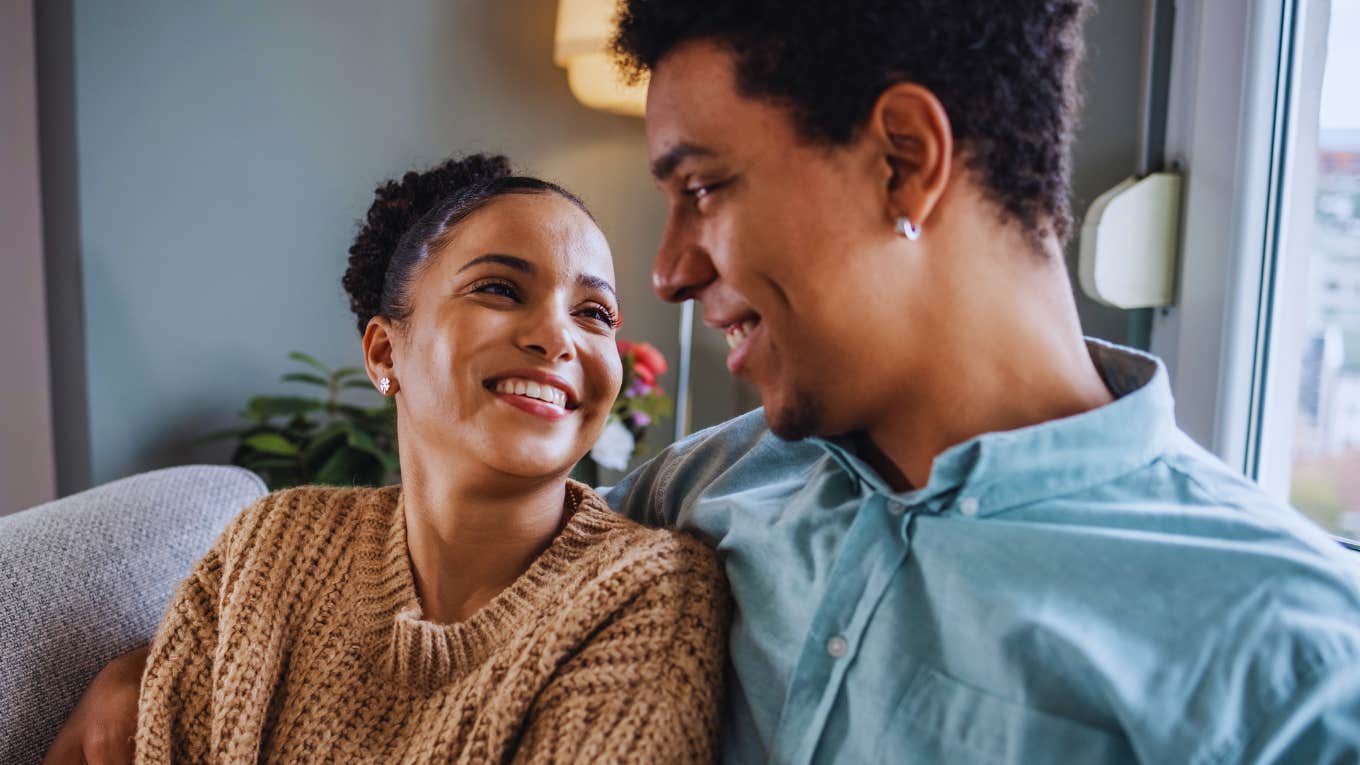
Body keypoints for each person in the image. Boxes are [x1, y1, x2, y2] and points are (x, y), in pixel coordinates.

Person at [52, 1, 1360, 763]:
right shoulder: (703, 494)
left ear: (905, 160)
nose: (668, 273)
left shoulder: (1294, 662)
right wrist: (132, 687)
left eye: (701, 187)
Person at [46, 154, 728, 764]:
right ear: (383, 353)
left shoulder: (649, 592)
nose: (558, 336)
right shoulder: (272, 547)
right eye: (499, 288)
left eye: (595, 312)